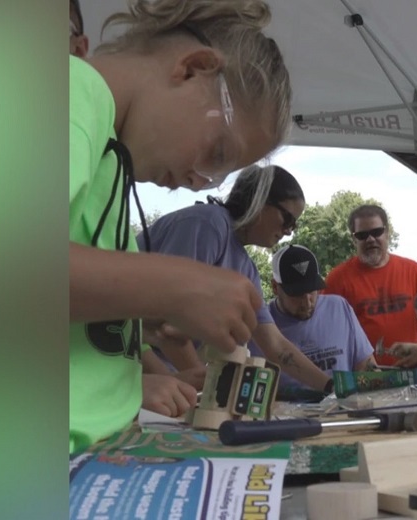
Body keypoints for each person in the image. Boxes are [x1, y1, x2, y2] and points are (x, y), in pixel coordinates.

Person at [69, 0, 291, 452]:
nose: (198, 184)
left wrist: (134, 381)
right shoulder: (71, 92)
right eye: (218, 155)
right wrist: (172, 287)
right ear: (192, 69)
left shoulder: (110, 167)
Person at [139, 165, 334, 393]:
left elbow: (276, 345)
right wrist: (213, 393)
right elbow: (166, 320)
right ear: (261, 202)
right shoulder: (208, 225)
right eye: (288, 219)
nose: (289, 231)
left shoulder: (245, 268)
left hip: (151, 364)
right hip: (120, 354)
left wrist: (331, 388)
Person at [248, 244, 376, 398]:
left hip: (342, 413)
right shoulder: (260, 326)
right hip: (287, 418)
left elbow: (366, 365)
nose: (307, 302)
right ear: (275, 287)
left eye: (311, 291)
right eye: (297, 294)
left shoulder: (339, 308)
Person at [323, 205, 417, 366]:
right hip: (362, 377)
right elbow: (326, 331)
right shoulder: (337, 280)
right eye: (362, 235)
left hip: (411, 370)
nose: (370, 239)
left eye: (377, 232)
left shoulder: (416, 272)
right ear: (354, 239)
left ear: (387, 233)